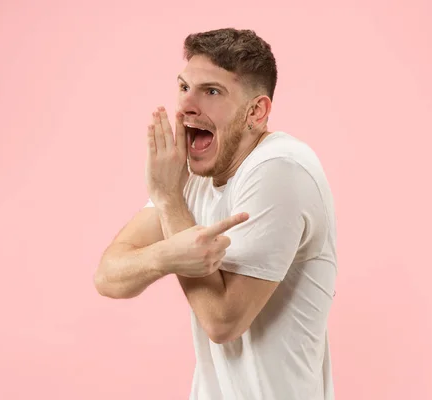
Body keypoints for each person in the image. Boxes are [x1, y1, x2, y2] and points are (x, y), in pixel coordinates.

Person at [94, 28, 337, 400]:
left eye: (211, 92)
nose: (186, 106)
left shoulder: (281, 169)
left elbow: (224, 321)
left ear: (256, 112)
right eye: (183, 87)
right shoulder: (190, 176)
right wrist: (166, 251)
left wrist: (170, 203)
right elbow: (108, 276)